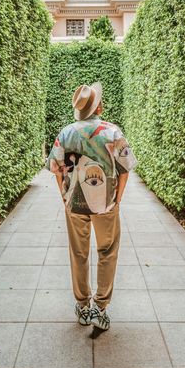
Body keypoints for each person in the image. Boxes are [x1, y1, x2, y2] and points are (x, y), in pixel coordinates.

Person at [46, 82, 137, 331]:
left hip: (74, 202)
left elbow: (55, 169)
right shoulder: (112, 132)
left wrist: (65, 196)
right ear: (99, 107)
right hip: (106, 204)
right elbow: (125, 168)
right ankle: (101, 307)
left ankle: (83, 306)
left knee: (78, 252)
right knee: (107, 251)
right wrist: (117, 199)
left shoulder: (66, 133)